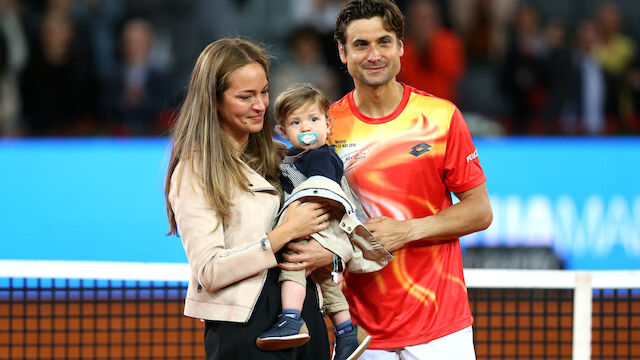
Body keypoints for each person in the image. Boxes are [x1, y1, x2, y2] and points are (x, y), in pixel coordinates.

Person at [283, 1, 493, 359]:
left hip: (441, 329)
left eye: (383, 42)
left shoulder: (441, 118)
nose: (374, 55)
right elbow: (312, 217)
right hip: (360, 333)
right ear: (342, 52)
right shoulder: (323, 127)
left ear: (400, 47)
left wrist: (407, 230)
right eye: (361, 45)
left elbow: (479, 212)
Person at [164, 38, 332, 360]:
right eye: (246, 96)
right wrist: (285, 233)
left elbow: (331, 227)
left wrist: (327, 256)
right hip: (244, 327)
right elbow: (210, 271)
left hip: (304, 314)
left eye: (264, 92)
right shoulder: (193, 171)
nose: (261, 105)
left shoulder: (287, 156)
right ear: (214, 100)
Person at [257, 83, 392, 359]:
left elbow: (321, 191)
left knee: (293, 267)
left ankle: (291, 318)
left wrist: (296, 227)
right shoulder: (295, 157)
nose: (306, 128)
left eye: (313, 120)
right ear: (283, 131)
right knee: (326, 283)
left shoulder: (322, 156)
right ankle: (346, 333)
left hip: (319, 225)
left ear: (329, 125)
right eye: (296, 122)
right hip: (315, 227)